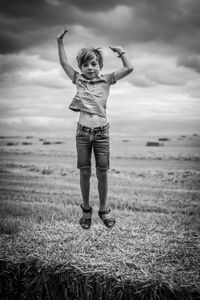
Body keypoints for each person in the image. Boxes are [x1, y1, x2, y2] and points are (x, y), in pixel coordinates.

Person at [57, 26, 133, 229]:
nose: (89, 68)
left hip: (102, 133)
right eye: (85, 65)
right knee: (84, 172)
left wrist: (121, 52)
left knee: (102, 173)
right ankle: (86, 209)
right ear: (80, 68)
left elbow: (129, 68)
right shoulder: (78, 79)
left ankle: (104, 209)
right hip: (82, 132)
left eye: (93, 64)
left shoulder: (107, 79)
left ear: (99, 65)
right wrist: (60, 42)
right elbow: (64, 62)